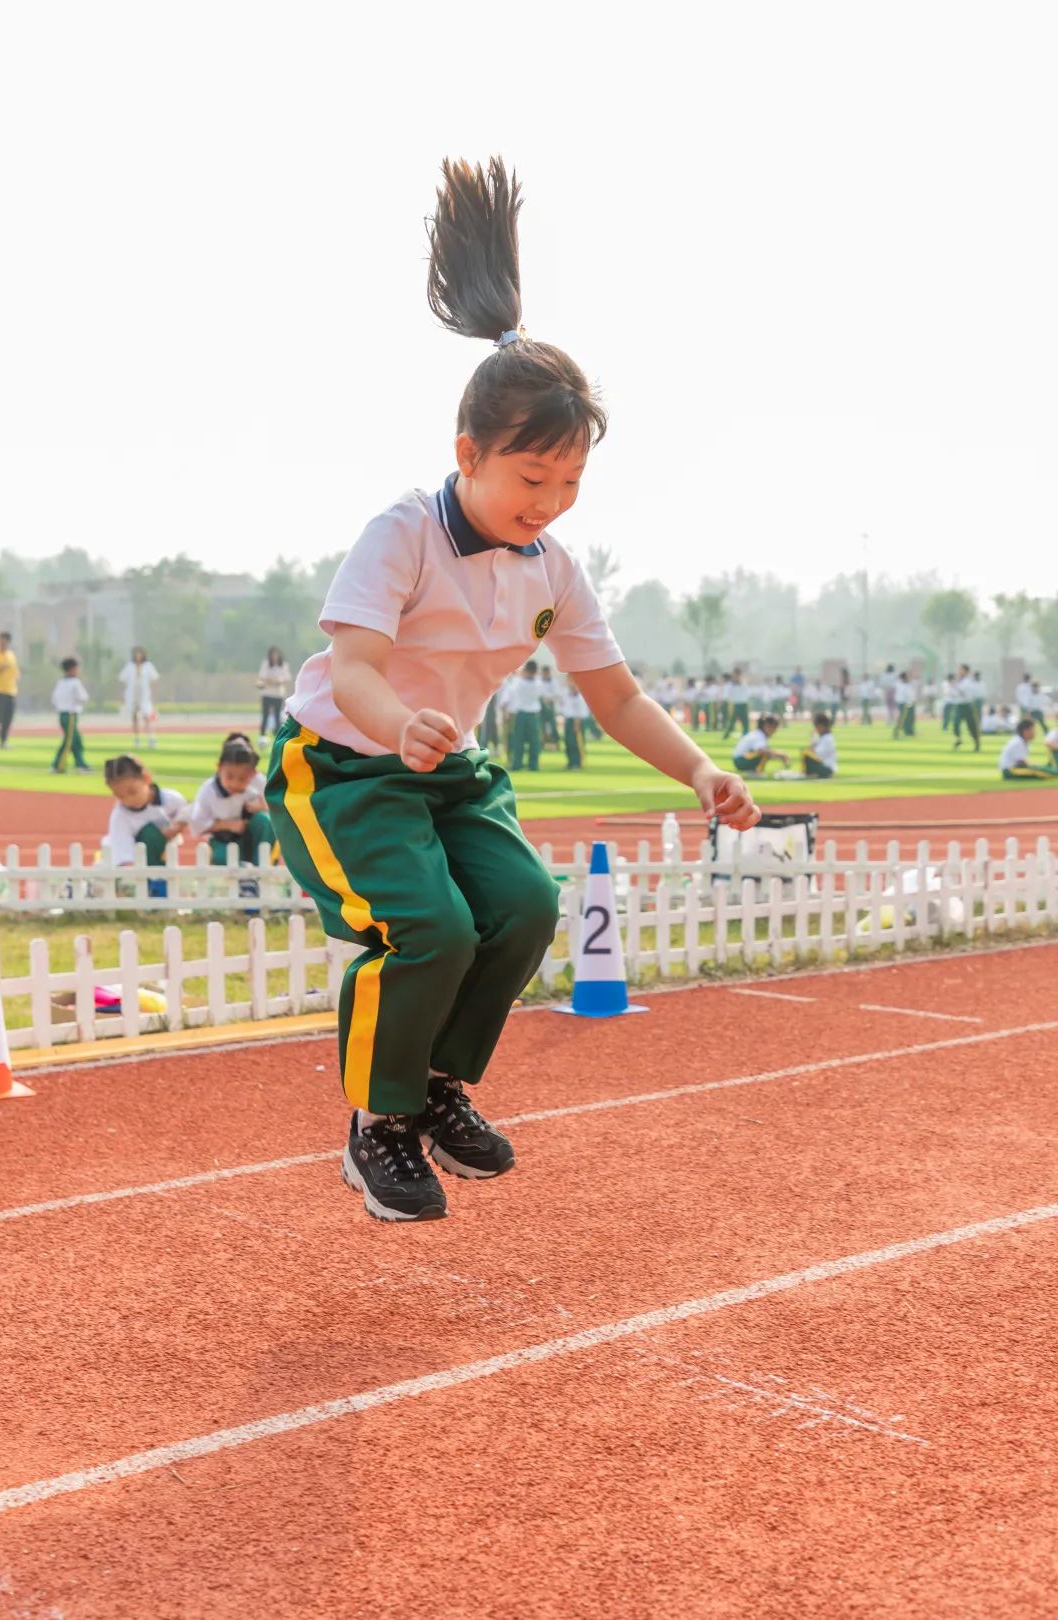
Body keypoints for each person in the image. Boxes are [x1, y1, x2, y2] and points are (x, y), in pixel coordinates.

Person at [262, 156, 760, 1224]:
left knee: (526, 908)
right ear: (469, 454)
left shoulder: (554, 569)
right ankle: (377, 1124)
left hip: (452, 773)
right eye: (534, 480)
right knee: (430, 928)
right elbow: (352, 668)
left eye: (572, 484)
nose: (553, 502)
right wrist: (402, 726)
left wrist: (702, 766)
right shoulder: (402, 533)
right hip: (345, 765)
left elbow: (617, 697)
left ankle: (437, 1088)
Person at [103, 755, 189, 893]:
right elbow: (123, 851)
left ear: (146, 778)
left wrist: (177, 827)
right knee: (150, 833)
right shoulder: (120, 816)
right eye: (119, 796)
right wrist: (136, 880)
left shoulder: (170, 799)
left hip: (164, 858)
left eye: (132, 792)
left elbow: (186, 811)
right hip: (138, 863)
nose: (128, 800)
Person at [189, 733, 274, 867]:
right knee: (225, 857)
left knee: (265, 821)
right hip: (223, 839)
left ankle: (261, 871)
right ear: (218, 767)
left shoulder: (259, 782)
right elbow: (196, 825)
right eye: (229, 777)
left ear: (252, 774)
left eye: (242, 779)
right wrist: (227, 825)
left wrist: (262, 807)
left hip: (250, 835)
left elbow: (279, 807)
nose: (235, 784)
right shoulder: (207, 791)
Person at [51, 656, 93, 773]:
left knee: (76, 740)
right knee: (69, 741)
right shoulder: (75, 682)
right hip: (70, 714)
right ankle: (58, 765)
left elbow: (54, 698)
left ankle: (80, 763)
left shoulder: (61, 683)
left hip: (63, 714)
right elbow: (83, 697)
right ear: (72, 669)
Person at [119, 646, 160, 750]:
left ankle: (151, 739)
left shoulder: (148, 666)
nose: (138, 656)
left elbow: (155, 678)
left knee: (147, 717)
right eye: (136, 654)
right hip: (132, 695)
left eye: (140, 654)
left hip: (144, 695)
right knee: (135, 717)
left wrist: (154, 695)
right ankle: (137, 740)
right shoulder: (130, 666)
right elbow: (122, 678)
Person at [508, 660, 544, 771]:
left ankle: (517, 764)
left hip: (521, 714)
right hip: (533, 715)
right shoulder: (538, 683)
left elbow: (512, 694)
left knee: (519, 740)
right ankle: (533, 765)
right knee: (534, 742)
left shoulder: (518, 682)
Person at [257, 646, 293, 744]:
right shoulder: (266, 664)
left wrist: (274, 680)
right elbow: (263, 677)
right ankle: (262, 737)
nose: (275, 656)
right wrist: (274, 680)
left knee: (278, 717)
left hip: (278, 695)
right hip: (267, 693)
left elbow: (286, 678)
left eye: (276, 654)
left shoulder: (283, 665)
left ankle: (278, 737)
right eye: (273, 654)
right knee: (265, 716)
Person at [560, 676, 589, 769]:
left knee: (576, 743)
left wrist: (576, 726)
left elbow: (579, 714)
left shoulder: (579, 697)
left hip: (576, 721)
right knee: (568, 742)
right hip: (569, 720)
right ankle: (570, 762)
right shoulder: (567, 694)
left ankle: (577, 762)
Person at [952, 663, 981, 751]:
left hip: (967, 706)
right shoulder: (958, 681)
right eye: (959, 669)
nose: (959, 671)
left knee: (971, 726)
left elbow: (967, 694)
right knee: (956, 724)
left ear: (966, 671)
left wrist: (957, 689)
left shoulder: (969, 682)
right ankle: (958, 739)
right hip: (959, 705)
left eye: (961, 670)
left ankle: (976, 743)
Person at [802, 711, 837, 778]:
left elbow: (816, 754)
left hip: (827, 768)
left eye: (816, 726)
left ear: (821, 726)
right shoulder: (823, 737)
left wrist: (812, 739)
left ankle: (810, 773)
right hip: (824, 766)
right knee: (805, 753)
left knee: (807, 755)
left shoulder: (827, 739)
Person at [722, 668, 750, 738]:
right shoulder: (730, 684)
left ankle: (746, 735)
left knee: (745, 722)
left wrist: (739, 683)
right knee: (731, 721)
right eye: (735, 675)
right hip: (735, 704)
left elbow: (747, 693)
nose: (736, 676)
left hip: (743, 704)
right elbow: (726, 694)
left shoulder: (743, 683)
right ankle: (726, 735)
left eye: (737, 675)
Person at [892, 671, 916, 738]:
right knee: (901, 719)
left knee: (907, 718)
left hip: (906, 703)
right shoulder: (900, 684)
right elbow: (905, 694)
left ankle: (908, 732)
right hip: (903, 703)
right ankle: (896, 733)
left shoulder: (905, 684)